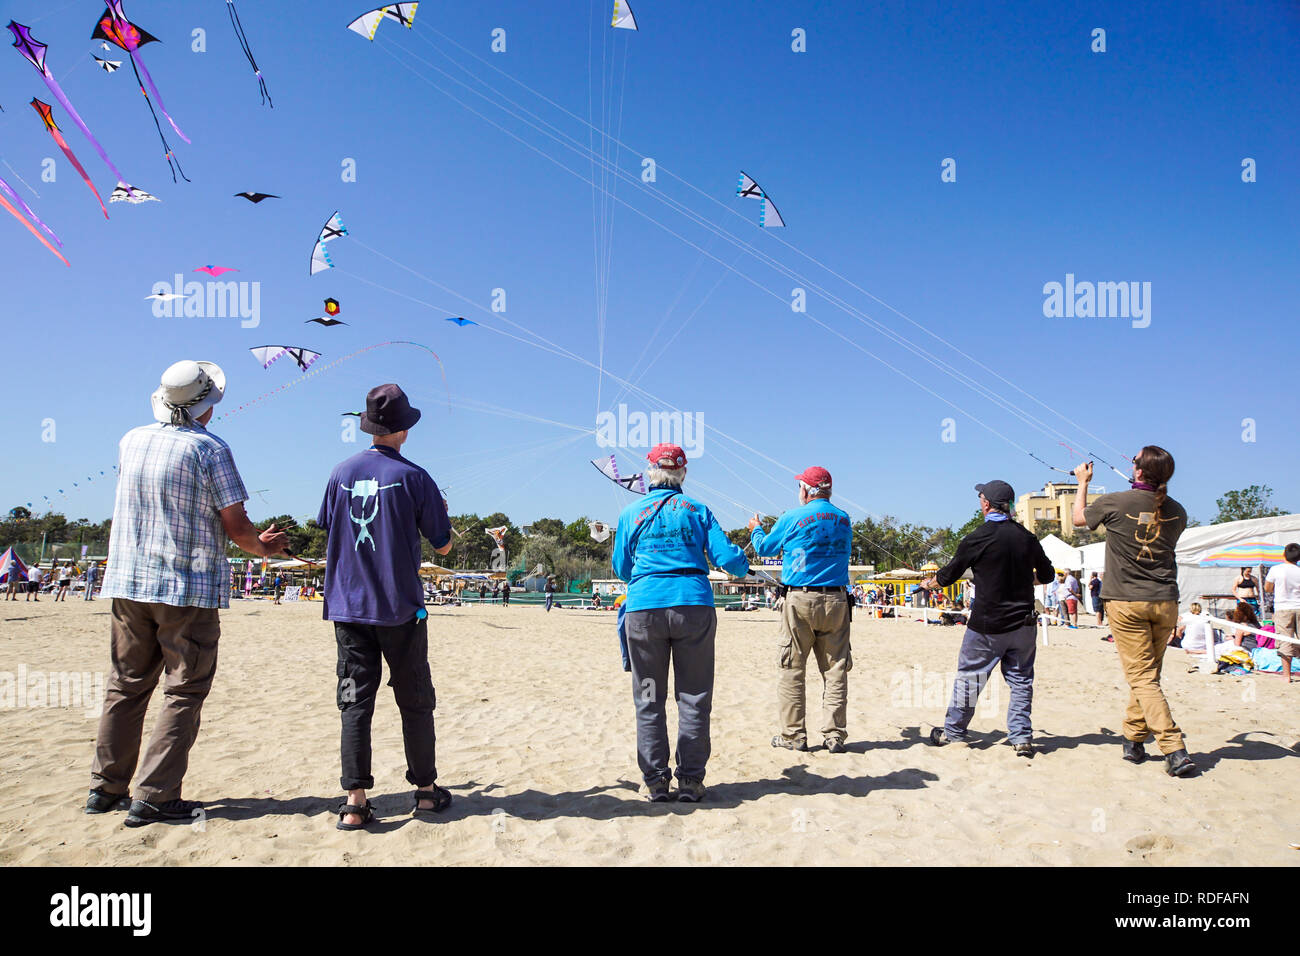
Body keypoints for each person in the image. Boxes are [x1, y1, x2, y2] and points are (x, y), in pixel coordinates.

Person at [90, 360, 289, 826]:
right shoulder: (209, 448)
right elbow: (237, 527)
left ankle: (105, 787)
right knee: (184, 689)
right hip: (185, 587)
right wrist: (265, 548)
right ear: (208, 406)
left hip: (128, 582)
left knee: (125, 686)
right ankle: (155, 795)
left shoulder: (131, 439)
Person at [318, 384, 454, 830]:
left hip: (348, 606)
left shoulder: (340, 472)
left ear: (370, 427)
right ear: (404, 430)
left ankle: (355, 801)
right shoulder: (415, 477)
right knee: (415, 699)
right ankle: (426, 792)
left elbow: (327, 525)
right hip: (400, 607)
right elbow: (445, 545)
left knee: (354, 700)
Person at [612, 443, 749, 802]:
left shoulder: (630, 513)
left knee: (648, 696)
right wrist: (744, 561)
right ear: (683, 473)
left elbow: (621, 568)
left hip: (644, 609)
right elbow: (727, 559)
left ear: (649, 472)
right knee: (694, 696)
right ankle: (690, 780)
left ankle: (656, 781)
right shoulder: (698, 510)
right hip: (693, 605)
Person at [1073, 447, 1196, 777]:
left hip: (1127, 601)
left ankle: (1173, 747)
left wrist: (1082, 482)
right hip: (1166, 600)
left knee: (1142, 677)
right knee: (1148, 677)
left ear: (1139, 472)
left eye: (1134, 460)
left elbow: (1078, 520)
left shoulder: (1117, 501)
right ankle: (1133, 738)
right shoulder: (1178, 511)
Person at [923, 480, 1053, 757]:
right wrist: (1022, 579)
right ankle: (1021, 737)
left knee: (970, 679)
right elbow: (1048, 574)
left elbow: (950, 574)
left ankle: (954, 733)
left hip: (987, 625)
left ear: (986, 504)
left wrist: (930, 584)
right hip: (1023, 624)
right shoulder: (1027, 537)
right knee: (1021, 681)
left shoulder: (978, 537)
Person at [749, 466, 854, 754]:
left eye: (800, 487)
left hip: (800, 599)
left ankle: (793, 735)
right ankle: (834, 735)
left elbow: (765, 549)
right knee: (835, 670)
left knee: (792, 668)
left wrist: (755, 529)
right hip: (837, 600)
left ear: (806, 490)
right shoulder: (844, 519)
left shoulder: (792, 516)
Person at [1264, 544, 1300, 683]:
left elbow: (1268, 588)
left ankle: (1286, 675)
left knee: (1285, 640)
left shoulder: (1276, 569)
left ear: (1284, 554)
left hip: (1283, 607)